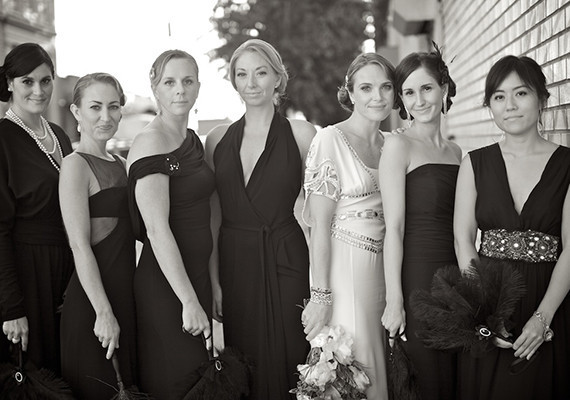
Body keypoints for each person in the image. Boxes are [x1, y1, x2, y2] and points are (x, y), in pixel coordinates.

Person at [454, 55, 570, 400]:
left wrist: (542, 317)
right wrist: (486, 309)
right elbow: (462, 239)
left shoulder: (567, 164)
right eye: (499, 96)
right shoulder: (474, 163)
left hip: (550, 298)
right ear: (490, 105)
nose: (510, 105)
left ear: (541, 98)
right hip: (489, 300)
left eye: (521, 93)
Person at [205, 38, 315, 399]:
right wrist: (214, 281)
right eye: (242, 74)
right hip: (235, 263)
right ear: (234, 81)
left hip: (286, 257)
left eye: (261, 73)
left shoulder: (302, 134)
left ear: (277, 78)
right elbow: (214, 216)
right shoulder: (216, 140)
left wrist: (323, 286)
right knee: (244, 364)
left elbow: (319, 214)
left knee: (292, 358)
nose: (251, 83)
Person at [300, 53, 396, 400]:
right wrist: (321, 296)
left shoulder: (393, 143)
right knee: (354, 365)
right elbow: (318, 224)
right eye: (366, 88)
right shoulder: (330, 139)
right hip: (346, 270)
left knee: (382, 362)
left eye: (386, 87)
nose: (378, 97)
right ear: (350, 93)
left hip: (386, 267)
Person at [127, 50, 214, 400]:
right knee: (177, 383)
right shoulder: (150, 142)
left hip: (196, 277)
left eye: (187, 81)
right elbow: (156, 230)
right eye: (170, 82)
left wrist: (210, 284)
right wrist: (188, 300)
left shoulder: (191, 139)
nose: (180, 90)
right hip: (167, 287)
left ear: (198, 87)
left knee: (200, 382)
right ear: (155, 89)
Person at [379, 45, 462, 400]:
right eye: (409, 93)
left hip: (454, 276)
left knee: (455, 376)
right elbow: (393, 229)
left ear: (444, 88)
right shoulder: (398, 147)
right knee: (426, 379)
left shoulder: (456, 153)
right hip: (417, 277)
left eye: (426, 88)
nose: (419, 100)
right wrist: (394, 300)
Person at [59, 73, 138, 399]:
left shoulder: (124, 164)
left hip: (127, 300)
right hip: (93, 305)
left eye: (113, 106)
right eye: (95, 107)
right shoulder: (74, 165)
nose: (106, 116)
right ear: (76, 112)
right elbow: (79, 246)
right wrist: (103, 313)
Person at [0, 43, 74, 372]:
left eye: (45, 80)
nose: (39, 90)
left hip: (66, 269)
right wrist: (11, 308)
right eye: (27, 81)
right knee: (37, 375)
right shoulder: (2, 138)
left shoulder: (59, 135)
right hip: (27, 274)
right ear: (9, 83)